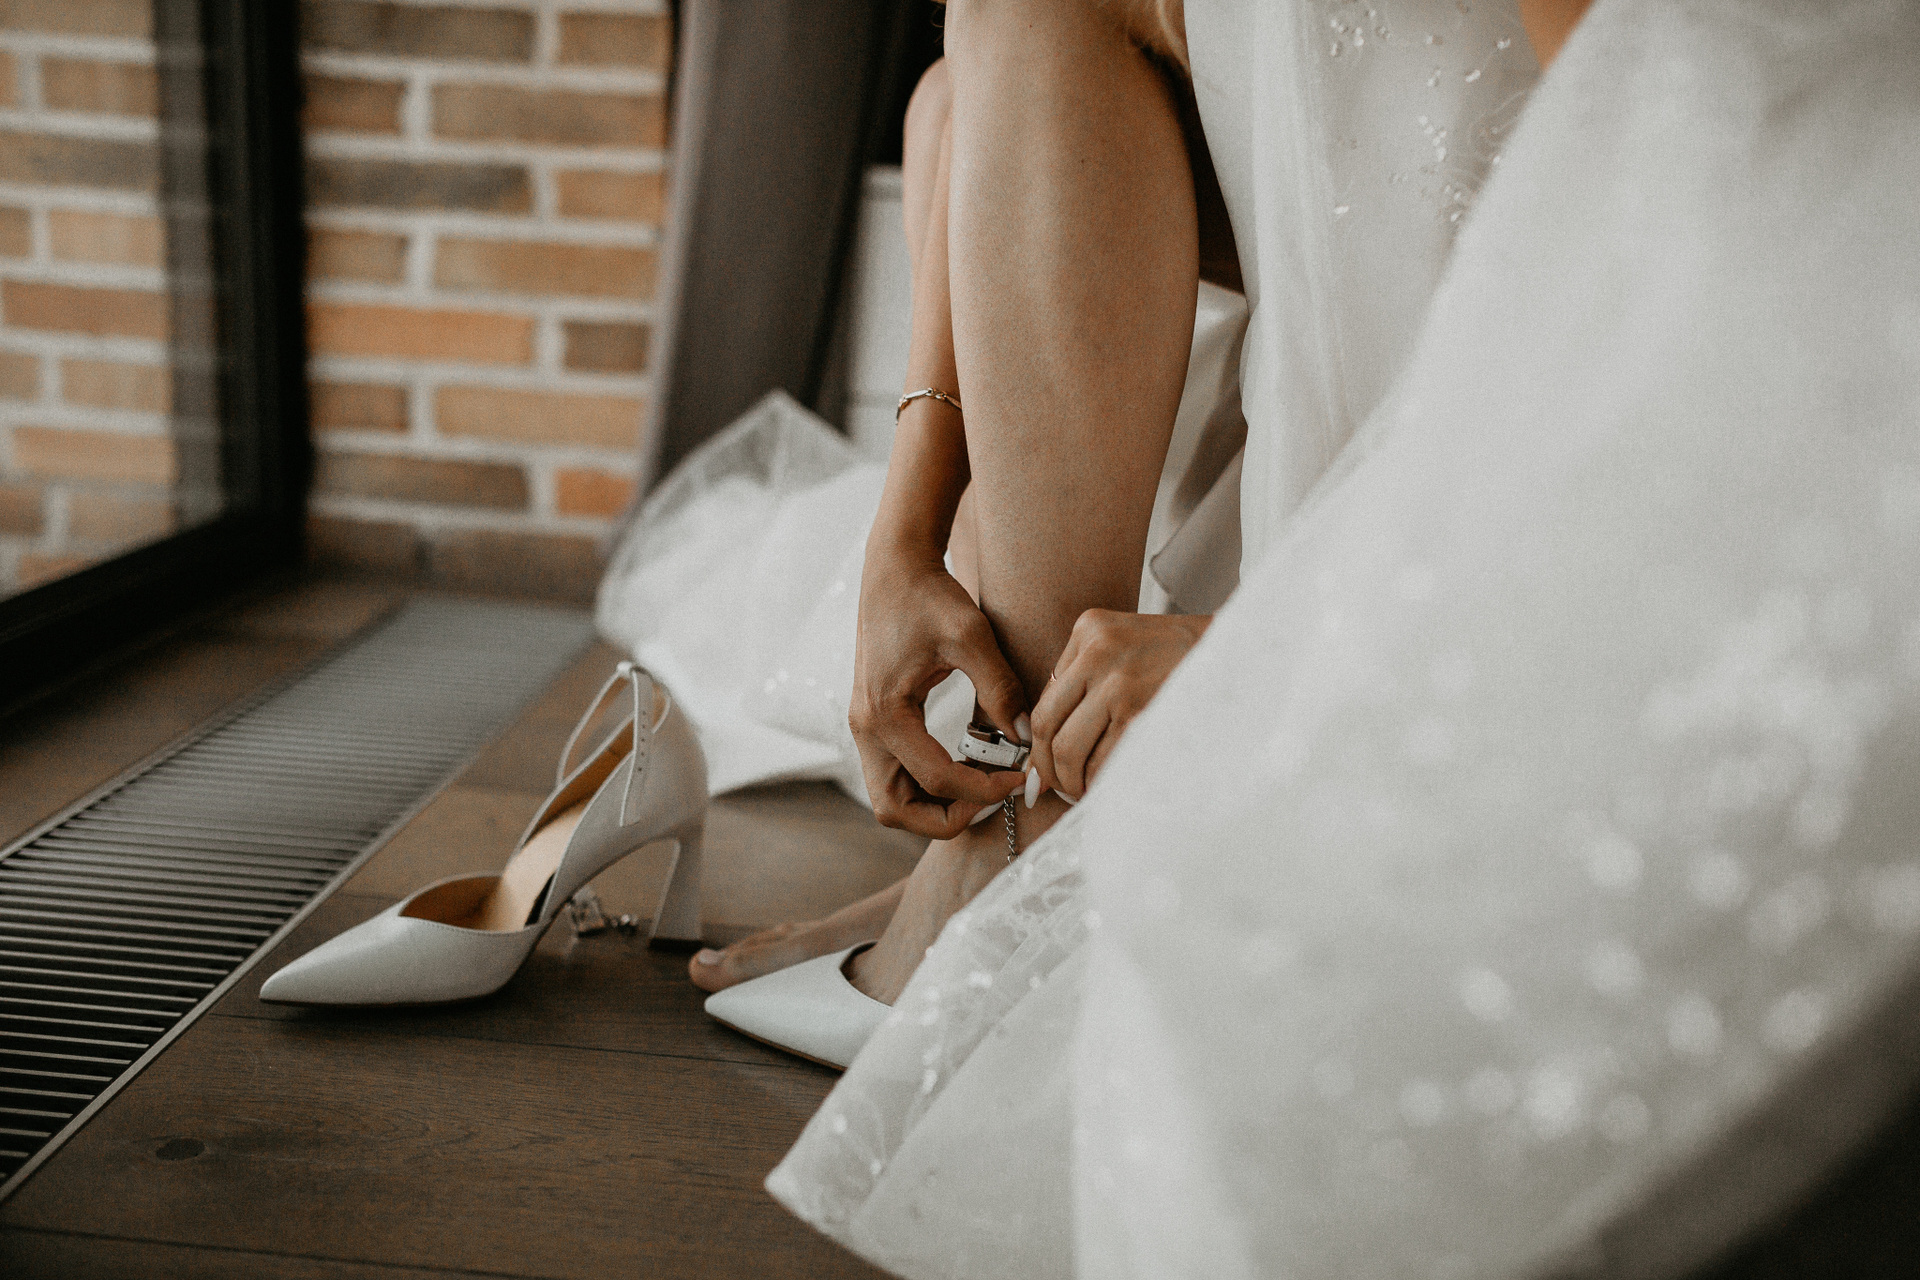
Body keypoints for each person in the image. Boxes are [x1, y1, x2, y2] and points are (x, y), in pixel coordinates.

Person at [761, 0, 1920, 1274]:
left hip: (1706, 383)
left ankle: (1014, 853)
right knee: (989, 59)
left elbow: (1682, 264)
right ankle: (1008, 832)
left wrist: (1273, 643)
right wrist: (905, 535)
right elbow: (982, 60)